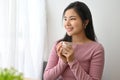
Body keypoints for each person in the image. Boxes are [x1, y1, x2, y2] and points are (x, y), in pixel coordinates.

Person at [43, 1, 104, 80]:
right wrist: (63, 62)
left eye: (72, 19)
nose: (67, 23)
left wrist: (72, 61)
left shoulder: (96, 49)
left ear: (85, 22)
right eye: (65, 19)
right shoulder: (58, 45)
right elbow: (47, 77)